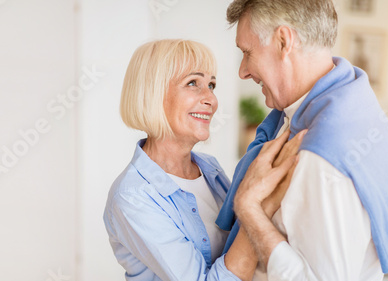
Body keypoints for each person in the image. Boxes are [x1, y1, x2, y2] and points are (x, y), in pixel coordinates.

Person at [216, 0, 388, 280]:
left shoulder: (319, 157)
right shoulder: (357, 106)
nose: (242, 71)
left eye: (247, 53)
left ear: (283, 41)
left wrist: (249, 211)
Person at [103, 39, 304, 281]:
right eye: (193, 83)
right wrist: (258, 206)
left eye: (211, 85)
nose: (211, 99)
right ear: (152, 93)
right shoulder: (133, 197)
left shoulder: (210, 168)